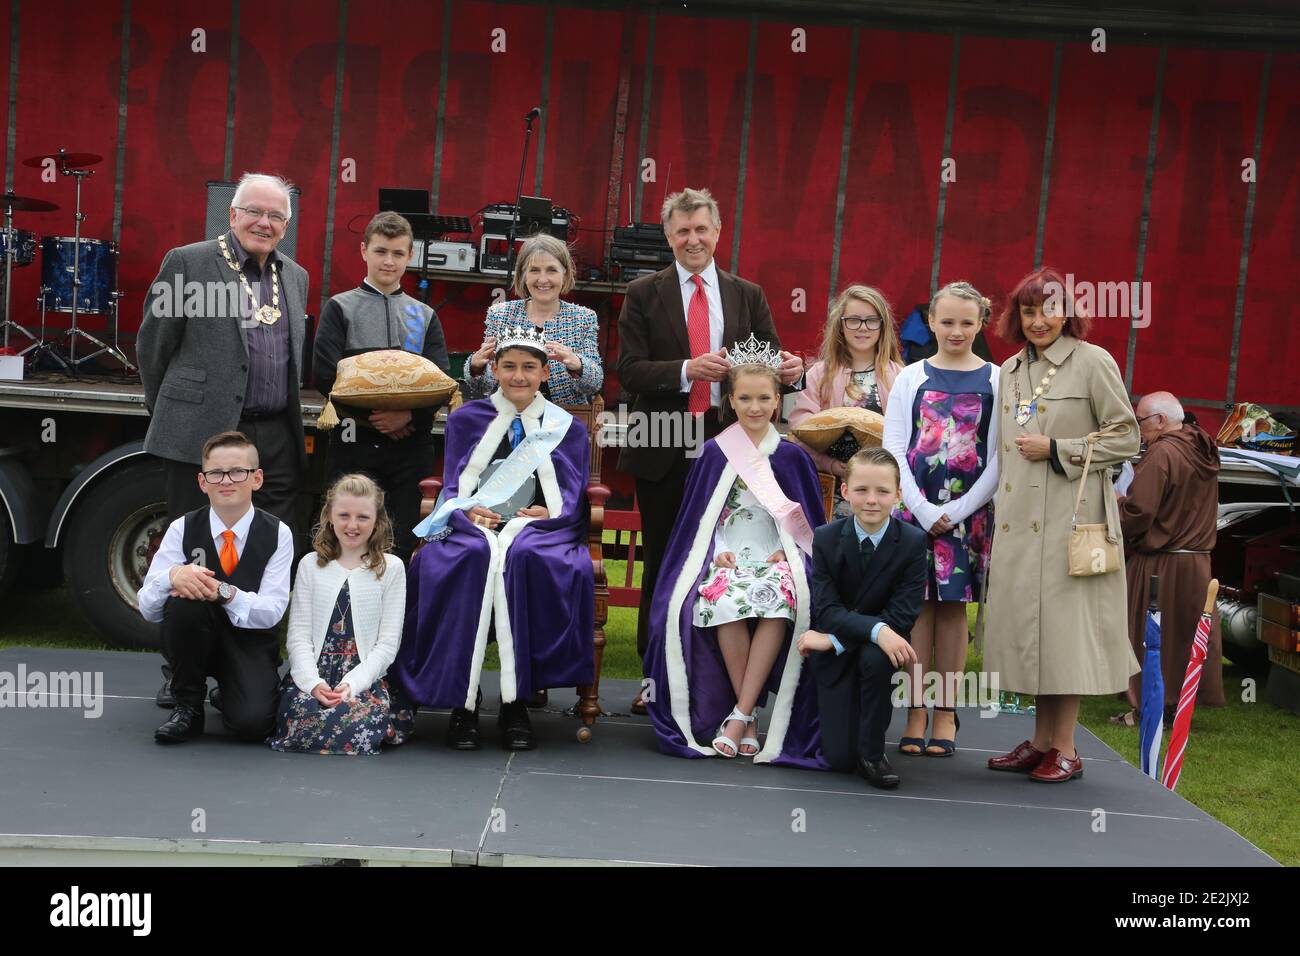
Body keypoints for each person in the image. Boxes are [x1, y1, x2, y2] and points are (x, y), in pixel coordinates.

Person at [617, 187, 803, 711]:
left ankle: (724, 684)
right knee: (664, 562)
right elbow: (628, 371)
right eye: (682, 231)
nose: (693, 239)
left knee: (729, 564)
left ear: (718, 233)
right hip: (661, 443)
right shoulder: (642, 292)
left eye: (702, 230)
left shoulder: (748, 293)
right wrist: (685, 371)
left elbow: (766, 371)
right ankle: (655, 680)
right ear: (669, 237)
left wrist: (793, 371)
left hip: (732, 448)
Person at [138, 172, 310, 710]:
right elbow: (153, 347)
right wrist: (175, 411)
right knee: (193, 554)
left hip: (275, 434)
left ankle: (250, 667)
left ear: (287, 224)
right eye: (255, 212)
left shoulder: (296, 276)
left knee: (265, 553)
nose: (265, 222)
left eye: (276, 216)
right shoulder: (188, 263)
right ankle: (182, 673)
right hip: (201, 436)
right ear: (231, 215)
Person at [391, 327, 594, 750]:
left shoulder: (566, 429)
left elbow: (570, 493)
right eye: (509, 366)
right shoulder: (467, 418)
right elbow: (452, 483)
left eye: (529, 367)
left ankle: (515, 702)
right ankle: (461, 703)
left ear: (543, 373)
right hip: (473, 524)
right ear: (495, 369)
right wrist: (466, 512)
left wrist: (547, 513)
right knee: (459, 560)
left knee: (529, 560)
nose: (518, 376)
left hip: (537, 528)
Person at [983, 267, 1140, 783]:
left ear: (1068, 311)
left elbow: (1126, 438)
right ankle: (1042, 740)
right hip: (1018, 524)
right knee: (1033, 635)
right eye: (1029, 311)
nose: (1039, 320)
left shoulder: (1093, 362)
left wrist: (1060, 449)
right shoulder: (1008, 370)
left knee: (1064, 635)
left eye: (1049, 309)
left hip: (1072, 522)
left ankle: (1067, 748)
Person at [643, 352, 826, 766]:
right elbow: (701, 519)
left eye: (764, 398)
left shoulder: (793, 457)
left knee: (779, 601)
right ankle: (749, 716)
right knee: (724, 599)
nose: (755, 407)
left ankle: (740, 714)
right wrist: (715, 550)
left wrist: (790, 553)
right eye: (745, 399)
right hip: (726, 557)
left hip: (777, 557)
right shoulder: (714, 453)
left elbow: (810, 526)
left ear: (778, 400)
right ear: (730, 402)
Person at [883, 281, 999, 757]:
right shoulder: (911, 377)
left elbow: (998, 457)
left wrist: (958, 510)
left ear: (981, 324)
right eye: (947, 321)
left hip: (968, 514)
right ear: (931, 321)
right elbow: (893, 447)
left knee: (953, 609)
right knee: (917, 609)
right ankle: (913, 709)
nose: (956, 331)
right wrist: (925, 509)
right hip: (915, 511)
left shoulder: (997, 378)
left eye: (966, 323)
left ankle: (947, 712)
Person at [136, 431, 294, 743]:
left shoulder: (279, 534)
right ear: (202, 482)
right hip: (196, 634)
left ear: (257, 478)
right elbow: (147, 607)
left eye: (237, 472)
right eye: (216, 473)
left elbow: (272, 612)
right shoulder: (182, 528)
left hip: (248, 641)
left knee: (253, 724)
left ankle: (229, 691)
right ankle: (188, 706)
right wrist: (172, 577)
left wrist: (223, 592)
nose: (226, 481)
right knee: (183, 600)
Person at [313, 211, 451, 561]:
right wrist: (377, 418)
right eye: (380, 251)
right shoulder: (339, 308)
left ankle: (396, 615)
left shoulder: (424, 315)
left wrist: (408, 417)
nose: (388, 261)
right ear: (364, 251)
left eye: (398, 253)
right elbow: (325, 375)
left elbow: (442, 379)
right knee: (348, 539)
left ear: (410, 256)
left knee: (401, 544)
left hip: (410, 449)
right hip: (352, 445)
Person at [798, 447, 928, 788]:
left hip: (871, 647)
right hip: (837, 654)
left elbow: (902, 614)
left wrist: (840, 637)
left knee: (879, 654)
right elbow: (827, 610)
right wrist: (873, 630)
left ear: (898, 495)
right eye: (861, 490)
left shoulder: (913, 543)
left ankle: (873, 753)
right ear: (845, 491)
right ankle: (848, 737)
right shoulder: (826, 538)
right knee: (839, 759)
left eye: (883, 491)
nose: (872, 500)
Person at [268, 473, 411, 755]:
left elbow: (387, 644)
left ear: (377, 520)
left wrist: (352, 684)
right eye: (344, 515)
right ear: (330, 516)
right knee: (299, 718)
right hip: (316, 674)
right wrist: (312, 683)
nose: (352, 525)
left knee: (362, 722)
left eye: (363, 517)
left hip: (362, 676)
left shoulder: (391, 568)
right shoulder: (311, 565)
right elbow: (298, 636)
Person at [1117, 392, 1224, 722]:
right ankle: (1176, 706)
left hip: (1162, 563)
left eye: (1142, 422)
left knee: (1154, 639)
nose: (1140, 430)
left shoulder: (1162, 452)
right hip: (1196, 563)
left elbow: (1139, 511)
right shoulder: (1201, 445)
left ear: (1161, 421)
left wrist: (1115, 500)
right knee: (1182, 640)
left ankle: (1150, 709)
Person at [789, 284, 905, 515]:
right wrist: (830, 464)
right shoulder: (819, 374)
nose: (862, 328)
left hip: (881, 493)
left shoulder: (901, 376)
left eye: (871, 320)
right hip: (832, 491)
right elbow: (798, 432)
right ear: (840, 325)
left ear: (883, 326)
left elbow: (910, 436)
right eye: (853, 320)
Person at [464, 233, 603, 405]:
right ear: (523, 275)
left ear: (565, 274)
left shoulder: (584, 318)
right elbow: (484, 385)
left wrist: (577, 364)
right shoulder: (499, 315)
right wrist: (476, 366)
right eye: (534, 270)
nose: (543, 279)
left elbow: (594, 384)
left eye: (551, 270)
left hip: (565, 419)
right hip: (508, 417)